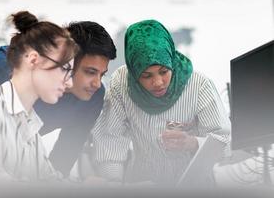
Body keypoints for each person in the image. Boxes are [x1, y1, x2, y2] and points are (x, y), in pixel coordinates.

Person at [90, 20, 231, 185]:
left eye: (164, 72)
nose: (158, 82)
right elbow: (110, 138)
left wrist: (192, 143)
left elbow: (224, 140)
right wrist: (112, 183)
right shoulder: (121, 84)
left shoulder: (199, 85)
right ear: (134, 72)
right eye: (146, 75)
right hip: (143, 182)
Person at [0, 21, 116, 177]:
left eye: (102, 75)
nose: (97, 83)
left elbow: (62, 160)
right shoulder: (7, 66)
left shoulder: (92, 96)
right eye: (90, 72)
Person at [0, 11, 78, 182]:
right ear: (33, 60)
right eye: (65, 69)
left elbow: (50, 182)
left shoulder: (32, 132)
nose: (70, 84)